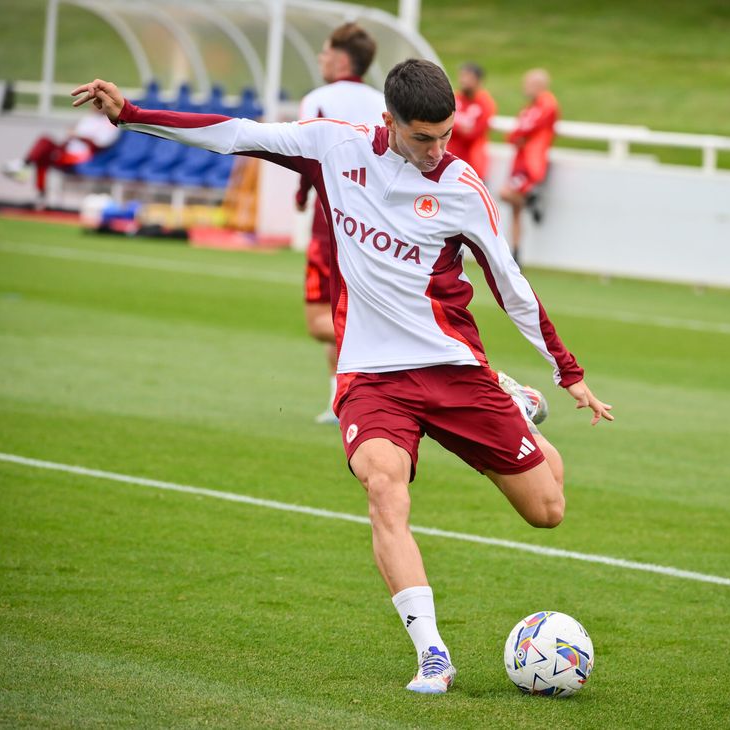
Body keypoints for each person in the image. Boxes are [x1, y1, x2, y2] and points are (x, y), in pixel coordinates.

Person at [71, 59, 612, 696]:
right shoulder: (335, 148)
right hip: (372, 376)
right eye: (423, 138)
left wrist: (568, 372)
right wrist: (133, 114)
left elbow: (510, 286)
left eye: (445, 136)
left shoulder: (462, 185)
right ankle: (432, 654)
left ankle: (511, 400)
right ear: (389, 122)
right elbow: (235, 132)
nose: (437, 150)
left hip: (453, 369)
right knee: (385, 489)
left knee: (547, 510)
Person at [295, 23, 387, 424]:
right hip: (377, 224)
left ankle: (393, 346)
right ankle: (340, 399)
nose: (320, 58)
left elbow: (303, 151)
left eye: (326, 51)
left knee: (321, 320)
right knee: (343, 309)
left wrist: (301, 194)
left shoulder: (318, 99)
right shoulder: (383, 101)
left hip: (331, 221)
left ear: (343, 59)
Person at [499, 69, 558, 266]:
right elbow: (515, 134)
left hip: (530, 163)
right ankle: (516, 253)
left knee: (505, 193)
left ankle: (532, 200)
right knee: (515, 209)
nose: (525, 87)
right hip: (520, 161)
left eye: (528, 83)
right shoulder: (528, 107)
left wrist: (518, 136)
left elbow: (525, 130)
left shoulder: (547, 104)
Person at [2, 108, 120, 201]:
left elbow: (100, 145)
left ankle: (27, 172)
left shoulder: (110, 124)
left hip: (81, 158)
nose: (94, 105)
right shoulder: (88, 118)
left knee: (43, 154)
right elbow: (73, 137)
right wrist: (69, 138)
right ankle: (26, 170)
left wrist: (79, 136)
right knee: (44, 142)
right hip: (67, 151)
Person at [446, 62, 496, 180]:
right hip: (450, 159)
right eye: (462, 76)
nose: (463, 80)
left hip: (472, 163)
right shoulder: (454, 98)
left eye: (468, 77)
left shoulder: (485, 103)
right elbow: (441, 124)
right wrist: (459, 127)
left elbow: (473, 133)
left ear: (479, 81)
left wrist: (452, 125)